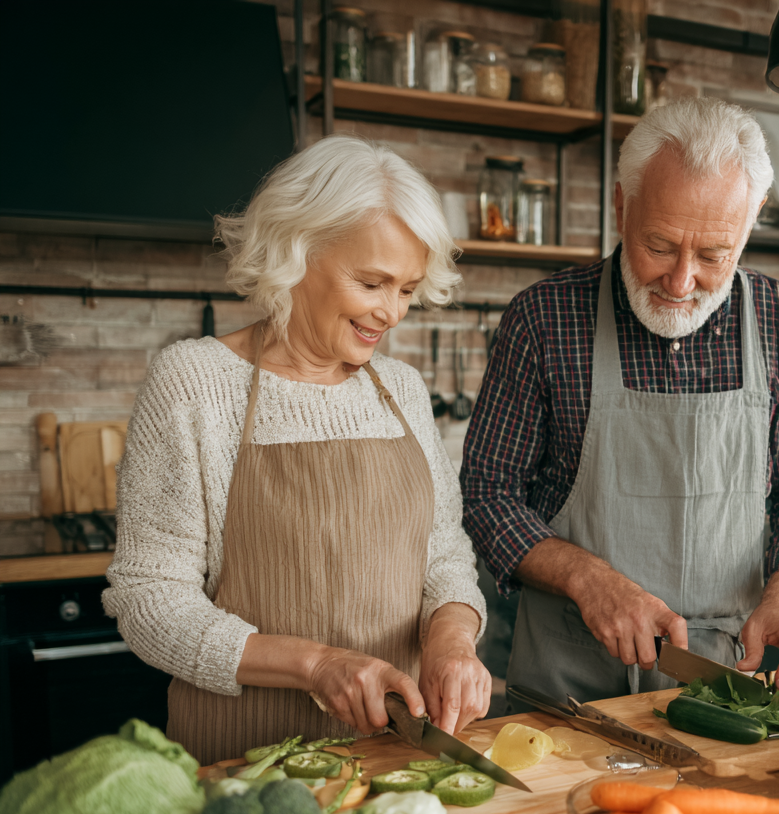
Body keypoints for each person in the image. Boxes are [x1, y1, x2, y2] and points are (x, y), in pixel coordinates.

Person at [104, 135, 490, 765]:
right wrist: (317, 666)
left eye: (407, 289)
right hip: (242, 759)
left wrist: (451, 639)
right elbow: (150, 601)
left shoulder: (402, 389)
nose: (392, 312)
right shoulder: (195, 382)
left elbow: (443, 553)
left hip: (395, 754)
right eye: (372, 282)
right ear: (295, 251)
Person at [460, 98, 779, 707]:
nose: (682, 281)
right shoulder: (544, 317)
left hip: (720, 679)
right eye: (660, 245)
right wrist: (590, 581)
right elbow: (486, 494)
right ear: (621, 203)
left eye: (714, 254)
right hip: (569, 673)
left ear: (752, 220)